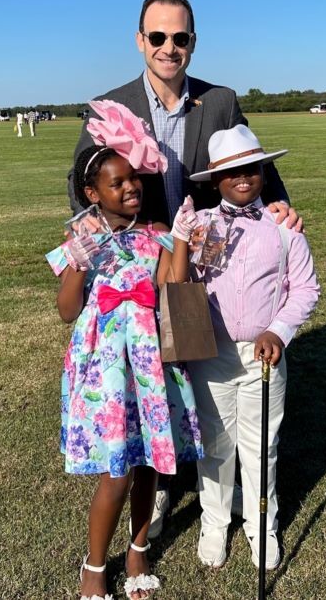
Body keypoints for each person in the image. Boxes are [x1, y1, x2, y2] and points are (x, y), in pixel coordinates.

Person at [69, 0, 302, 537]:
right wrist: (91, 230)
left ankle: (200, 460)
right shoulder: (111, 105)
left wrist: (280, 205)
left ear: (193, 42)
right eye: (158, 37)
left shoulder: (219, 100)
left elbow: (252, 166)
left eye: (180, 38)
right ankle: (164, 470)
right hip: (143, 262)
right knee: (151, 366)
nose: (168, 48)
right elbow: (82, 183)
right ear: (139, 41)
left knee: (193, 357)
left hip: (208, 261)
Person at [46, 102, 202, 600]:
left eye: (134, 179)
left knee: (147, 465)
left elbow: (172, 286)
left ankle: (137, 551)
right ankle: (94, 565)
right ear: (92, 194)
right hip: (108, 365)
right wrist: (79, 259)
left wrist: (179, 239)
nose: (131, 187)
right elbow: (68, 310)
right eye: (117, 183)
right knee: (116, 470)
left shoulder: (154, 236)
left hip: (150, 361)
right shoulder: (81, 237)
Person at [171, 125, 319, 571]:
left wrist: (278, 330)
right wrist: (181, 239)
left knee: (260, 446)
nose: (243, 177)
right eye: (232, 171)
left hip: (263, 355)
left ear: (262, 171)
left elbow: (305, 289)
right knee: (216, 443)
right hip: (211, 354)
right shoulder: (202, 228)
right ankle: (214, 520)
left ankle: (261, 525)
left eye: (252, 168)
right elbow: (180, 288)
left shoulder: (283, 225)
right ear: (215, 180)